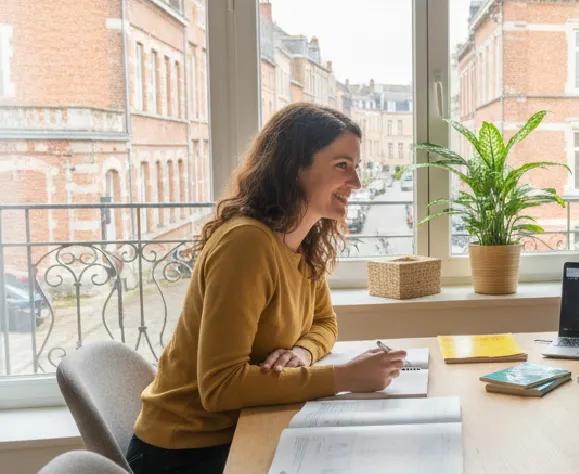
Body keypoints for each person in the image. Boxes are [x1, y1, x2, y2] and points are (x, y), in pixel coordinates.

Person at [127, 103, 407, 474]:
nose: (356, 183)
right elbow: (220, 388)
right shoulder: (246, 244)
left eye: (356, 168)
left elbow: (325, 323)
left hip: (242, 427)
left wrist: (302, 354)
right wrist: (345, 378)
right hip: (185, 450)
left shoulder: (302, 240)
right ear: (294, 168)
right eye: (342, 166)